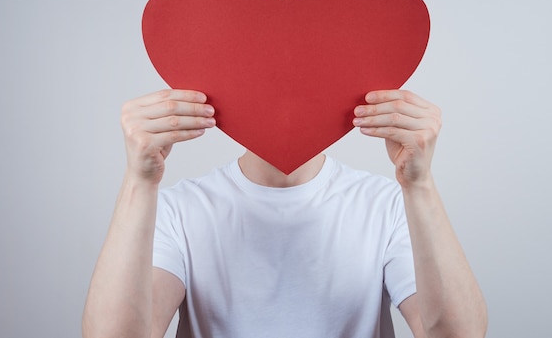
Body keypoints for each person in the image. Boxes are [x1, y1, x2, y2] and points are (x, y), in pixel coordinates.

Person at [82, 88, 487, 338]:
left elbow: (458, 335)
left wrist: (419, 186)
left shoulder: (386, 204)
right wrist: (139, 181)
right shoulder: (179, 209)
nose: (287, 99)